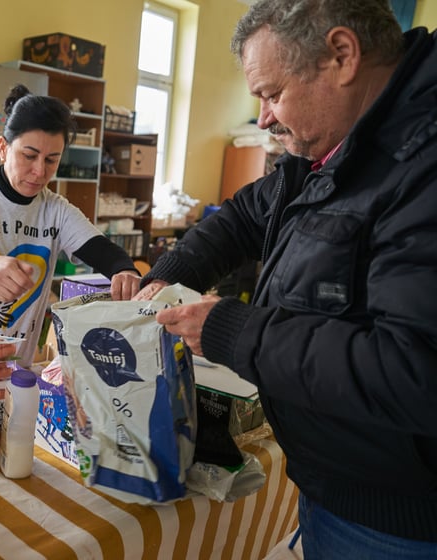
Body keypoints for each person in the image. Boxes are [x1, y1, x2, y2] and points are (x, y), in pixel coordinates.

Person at [135, 0, 437, 556]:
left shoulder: (420, 163)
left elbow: (413, 368)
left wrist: (232, 330)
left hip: (399, 519)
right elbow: (245, 217)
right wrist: (169, 274)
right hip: (333, 481)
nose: (266, 119)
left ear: (341, 56)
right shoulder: (333, 147)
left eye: (273, 94)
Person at [0, 85, 141, 390]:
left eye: (51, 160)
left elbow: (104, 252)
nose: (38, 171)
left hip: (10, 369)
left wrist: (124, 270)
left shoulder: (56, 211)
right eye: (29, 156)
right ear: (3, 148)